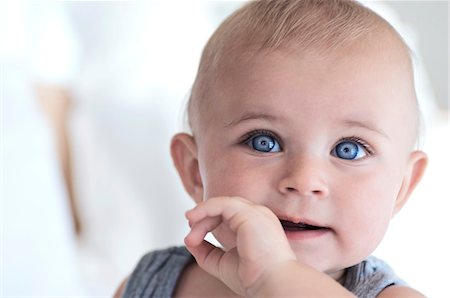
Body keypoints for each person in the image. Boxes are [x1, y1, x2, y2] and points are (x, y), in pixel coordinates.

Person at [115, 0, 429, 296]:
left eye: (349, 149)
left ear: (401, 187)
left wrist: (276, 277)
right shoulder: (152, 284)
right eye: (263, 142)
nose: (305, 180)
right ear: (195, 171)